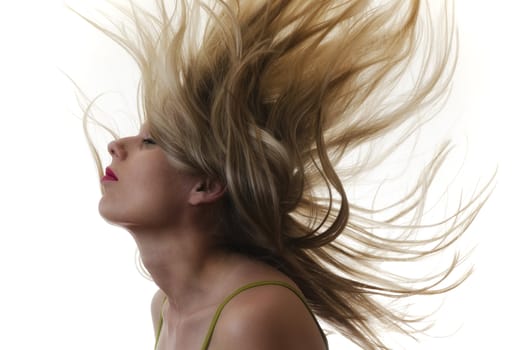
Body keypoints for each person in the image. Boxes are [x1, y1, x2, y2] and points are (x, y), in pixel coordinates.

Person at [73, 0, 493, 349]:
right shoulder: (165, 307)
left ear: (205, 185)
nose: (117, 145)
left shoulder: (251, 315)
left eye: (150, 142)